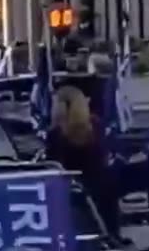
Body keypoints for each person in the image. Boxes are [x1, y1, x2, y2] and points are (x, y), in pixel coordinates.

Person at [45, 85, 119, 234]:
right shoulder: (96, 125)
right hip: (101, 188)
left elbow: (53, 165)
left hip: (72, 193)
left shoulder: (56, 134)